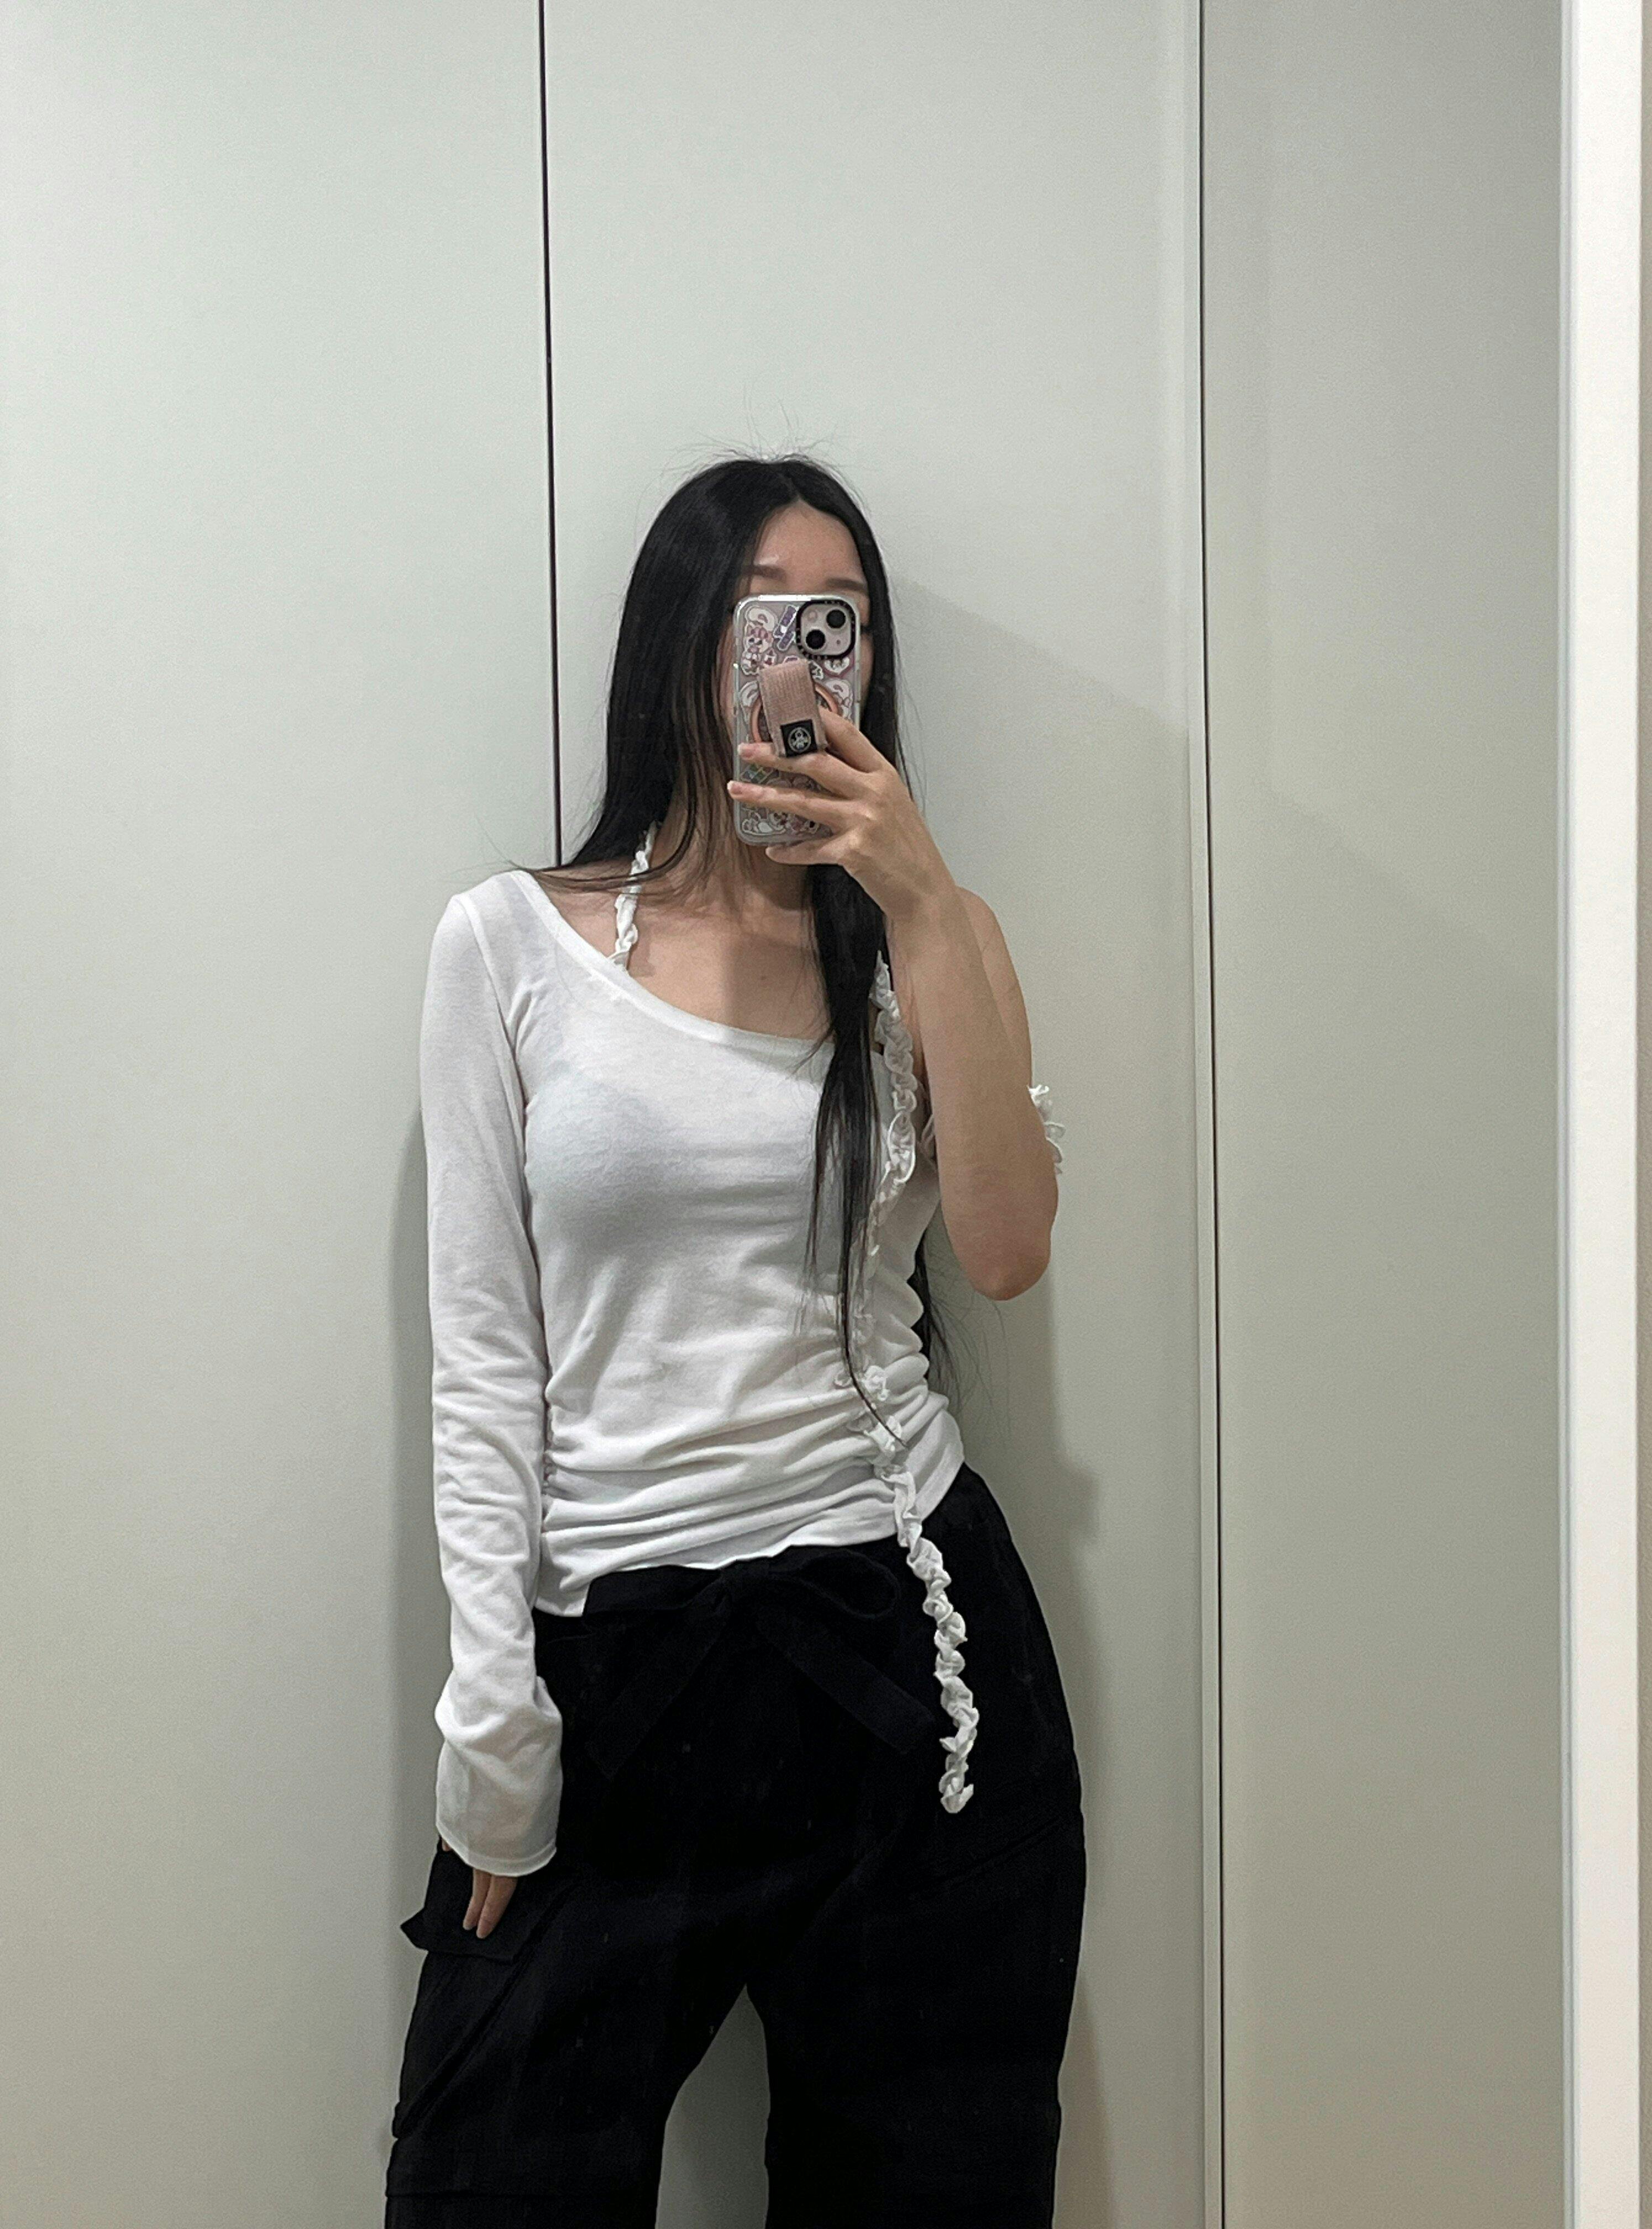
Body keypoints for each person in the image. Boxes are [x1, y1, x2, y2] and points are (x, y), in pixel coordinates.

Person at [385, 454, 1084, 2227]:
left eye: (838, 624)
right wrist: (494, 1723)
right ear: (687, 641)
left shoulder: (934, 943)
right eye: (768, 616)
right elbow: (485, 1365)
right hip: (622, 1654)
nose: (804, 662)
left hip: (907, 1645)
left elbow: (1005, 1250)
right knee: (489, 2179)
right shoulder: (509, 946)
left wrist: (922, 904)